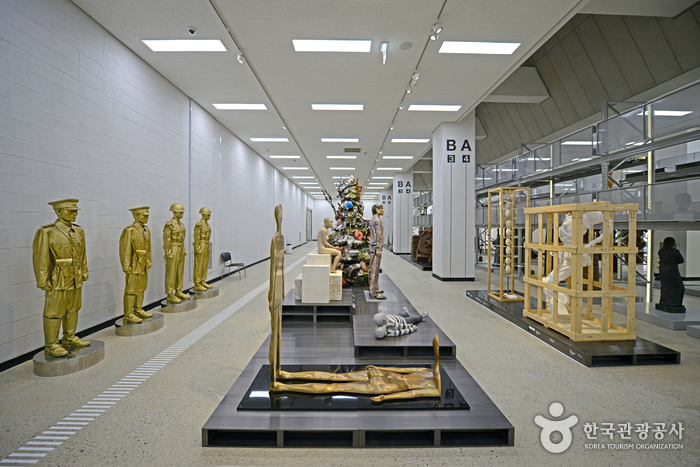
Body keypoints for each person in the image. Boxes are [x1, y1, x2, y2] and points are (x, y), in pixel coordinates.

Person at [32, 199, 90, 357]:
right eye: (70, 211)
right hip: (58, 278)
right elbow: (41, 258)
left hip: (76, 278)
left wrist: (84, 270)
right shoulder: (47, 232)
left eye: (76, 211)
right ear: (58, 211)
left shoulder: (79, 231)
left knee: (73, 309)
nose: (75, 213)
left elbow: (83, 254)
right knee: (54, 312)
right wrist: (43, 280)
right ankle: (51, 345)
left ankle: (69, 338)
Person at [119, 206, 153, 324]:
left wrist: (149, 260)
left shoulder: (146, 230)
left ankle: (138, 309)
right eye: (145, 215)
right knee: (131, 289)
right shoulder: (130, 230)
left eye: (147, 215)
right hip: (134, 264)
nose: (147, 217)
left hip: (143, 264)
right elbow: (125, 249)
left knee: (142, 288)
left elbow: (148, 248)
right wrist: (126, 266)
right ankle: (128, 314)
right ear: (136, 216)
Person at [268, 205, 285, 386]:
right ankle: (273, 376)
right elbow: (273, 267)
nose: (280, 218)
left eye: (282, 216)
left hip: (280, 288)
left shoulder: (281, 239)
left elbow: (282, 267)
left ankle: (278, 370)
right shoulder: (275, 240)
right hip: (275, 289)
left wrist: (283, 288)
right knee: (275, 331)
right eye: (278, 215)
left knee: (279, 329)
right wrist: (272, 293)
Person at [163, 203, 190, 303]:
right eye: (180, 212)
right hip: (173, 248)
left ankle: (178, 290)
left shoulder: (181, 225)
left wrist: (183, 249)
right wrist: (168, 251)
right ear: (174, 212)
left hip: (180, 248)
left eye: (182, 212)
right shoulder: (170, 224)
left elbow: (183, 238)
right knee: (171, 272)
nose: (182, 214)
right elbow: (166, 239)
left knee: (180, 271)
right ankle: (170, 294)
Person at [656, 237, 686, 313]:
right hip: (672, 270)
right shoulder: (674, 251)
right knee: (679, 287)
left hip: (663, 270)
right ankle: (674, 303)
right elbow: (681, 260)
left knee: (665, 286)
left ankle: (664, 301)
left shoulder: (661, 251)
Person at [193, 207, 213, 291]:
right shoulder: (199, 225)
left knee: (205, 264)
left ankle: (203, 280)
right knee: (199, 264)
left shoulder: (208, 225)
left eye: (209, 215)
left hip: (207, 244)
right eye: (208, 215)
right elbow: (196, 236)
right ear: (203, 215)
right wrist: (197, 247)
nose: (209, 216)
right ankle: (197, 283)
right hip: (201, 244)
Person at [369, 203, 385, 299]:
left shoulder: (372, 219)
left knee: (373, 268)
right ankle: (374, 292)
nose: (382, 210)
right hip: (375, 247)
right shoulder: (377, 220)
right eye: (381, 208)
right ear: (377, 210)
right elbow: (379, 235)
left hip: (372, 245)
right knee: (375, 269)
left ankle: (374, 288)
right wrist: (379, 248)